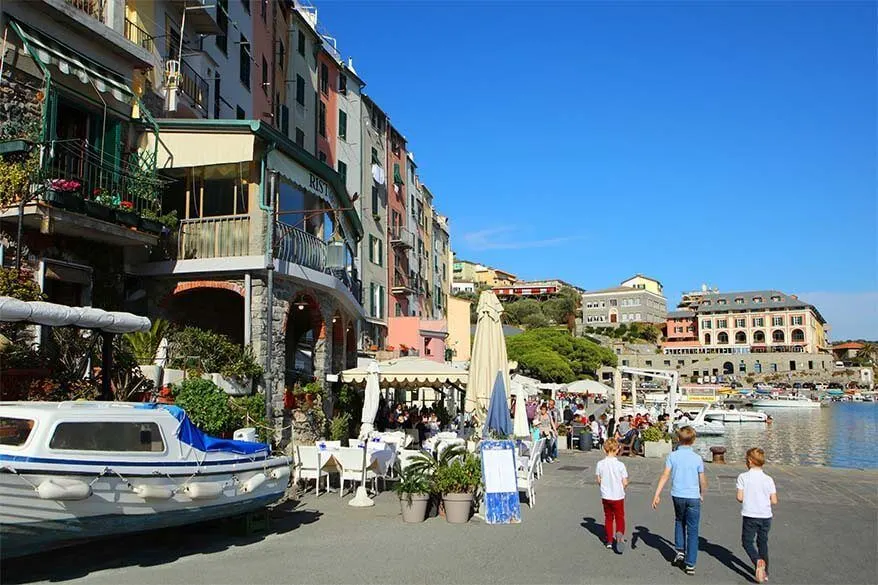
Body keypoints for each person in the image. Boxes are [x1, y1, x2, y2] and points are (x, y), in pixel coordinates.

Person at [651, 426, 707, 576]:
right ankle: (690, 564)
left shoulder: (672, 456)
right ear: (693, 440)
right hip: (693, 496)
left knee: (679, 521)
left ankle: (680, 551)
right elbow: (702, 479)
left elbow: (665, 475)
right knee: (693, 529)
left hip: (678, 494)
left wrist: (657, 494)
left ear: (678, 439)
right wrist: (702, 493)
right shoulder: (697, 458)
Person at [737, 447, 778, 583]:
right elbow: (774, 500)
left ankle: (757, 560)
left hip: (750, 514)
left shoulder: (743, 477)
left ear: (749, 461)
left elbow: (740, 497)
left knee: (747, 542)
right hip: (766, 515)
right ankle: (765, 572)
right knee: (763, 542)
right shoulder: (769, 479)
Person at [595, 438, 629, 552]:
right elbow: (625, 482)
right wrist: (621, 488)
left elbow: (599, 480)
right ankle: (619, 534)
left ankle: (609, 540)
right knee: (620, 517)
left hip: (606, 495)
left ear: (604, 450)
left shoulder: (600, 464)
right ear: (617, 450)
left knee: (608, 517)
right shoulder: (620, 465)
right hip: (618, 495)